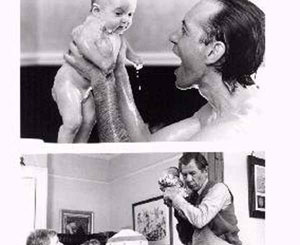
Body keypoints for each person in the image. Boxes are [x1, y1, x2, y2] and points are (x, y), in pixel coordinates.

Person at [64, 0, 265, 142]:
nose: (173, 36)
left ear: (213, 51)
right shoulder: (217, 112)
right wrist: (118, 71)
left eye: (185, 31)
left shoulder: (225, 135)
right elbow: (144, 145)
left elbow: (124, 151)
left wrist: (100, 79)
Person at [52, 0, 142, 143]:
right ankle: (62, 152)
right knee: (72, 122)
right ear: (96, 12)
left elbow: (123, 43)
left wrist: (133, 56)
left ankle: (78, 150)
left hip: (86, 89)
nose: (126, 19)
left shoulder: (114, 33)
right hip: (69, 83)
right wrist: (101, 61)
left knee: (89, 120)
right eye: (119, 13)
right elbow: (84, 43)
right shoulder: (92, 26)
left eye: (130, 14)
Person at [162, 153, 243, 245]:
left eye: (192, 173)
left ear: (205, 171)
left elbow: (200, 219)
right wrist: (176, 207)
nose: (188, 180)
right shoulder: (191, 198)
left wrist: (177, 198)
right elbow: (185, 236)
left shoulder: (219, 189)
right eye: (184, 175)